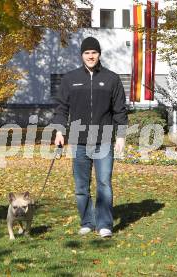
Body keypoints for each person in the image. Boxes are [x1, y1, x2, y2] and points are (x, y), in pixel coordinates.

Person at [52, 37, 128, 238]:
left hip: (103, 140)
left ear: (99, 54)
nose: (91, 56)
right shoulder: (70, 79)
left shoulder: (112, 79)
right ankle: (87, 221)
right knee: (81, 187)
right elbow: (61, 108)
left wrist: (120, 135)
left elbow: (120, 110)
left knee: (104, 183)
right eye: (87, 53)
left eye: (94, 52)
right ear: (82, 55)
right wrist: (59, 131)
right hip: (78, 141)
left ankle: (104, 225)